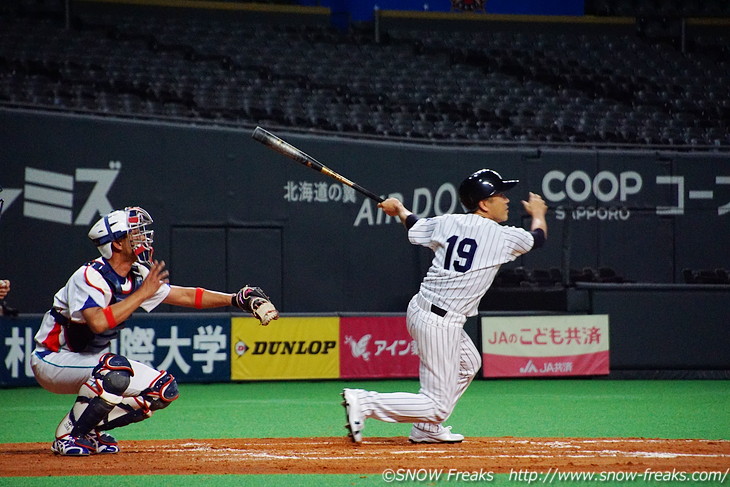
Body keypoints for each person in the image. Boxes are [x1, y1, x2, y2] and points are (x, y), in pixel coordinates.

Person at [31, 206, 279, 456]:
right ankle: (69, 435)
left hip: (89, 360)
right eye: (135, 234)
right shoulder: (90, 276)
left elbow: (185, 295)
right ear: (116, 244)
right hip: (52, 359)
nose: (143, 239)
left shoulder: (137, 276)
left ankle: (89, 430)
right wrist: (142, 295)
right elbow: (96, 322)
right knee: (114, 372)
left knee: (163, 389)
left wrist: (236, 299)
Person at [341, 169, 548, 444]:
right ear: (484, 204)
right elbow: (539, 238)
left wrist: (400, 209)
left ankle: (426, 430)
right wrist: (538, 213)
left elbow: (415, 225)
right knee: (437, 406)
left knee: (469, 363)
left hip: (424, 309)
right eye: (500, 195)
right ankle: (365, 402)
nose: (506, 200)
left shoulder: (448, 221)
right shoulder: (501, 237)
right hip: (438, 321)